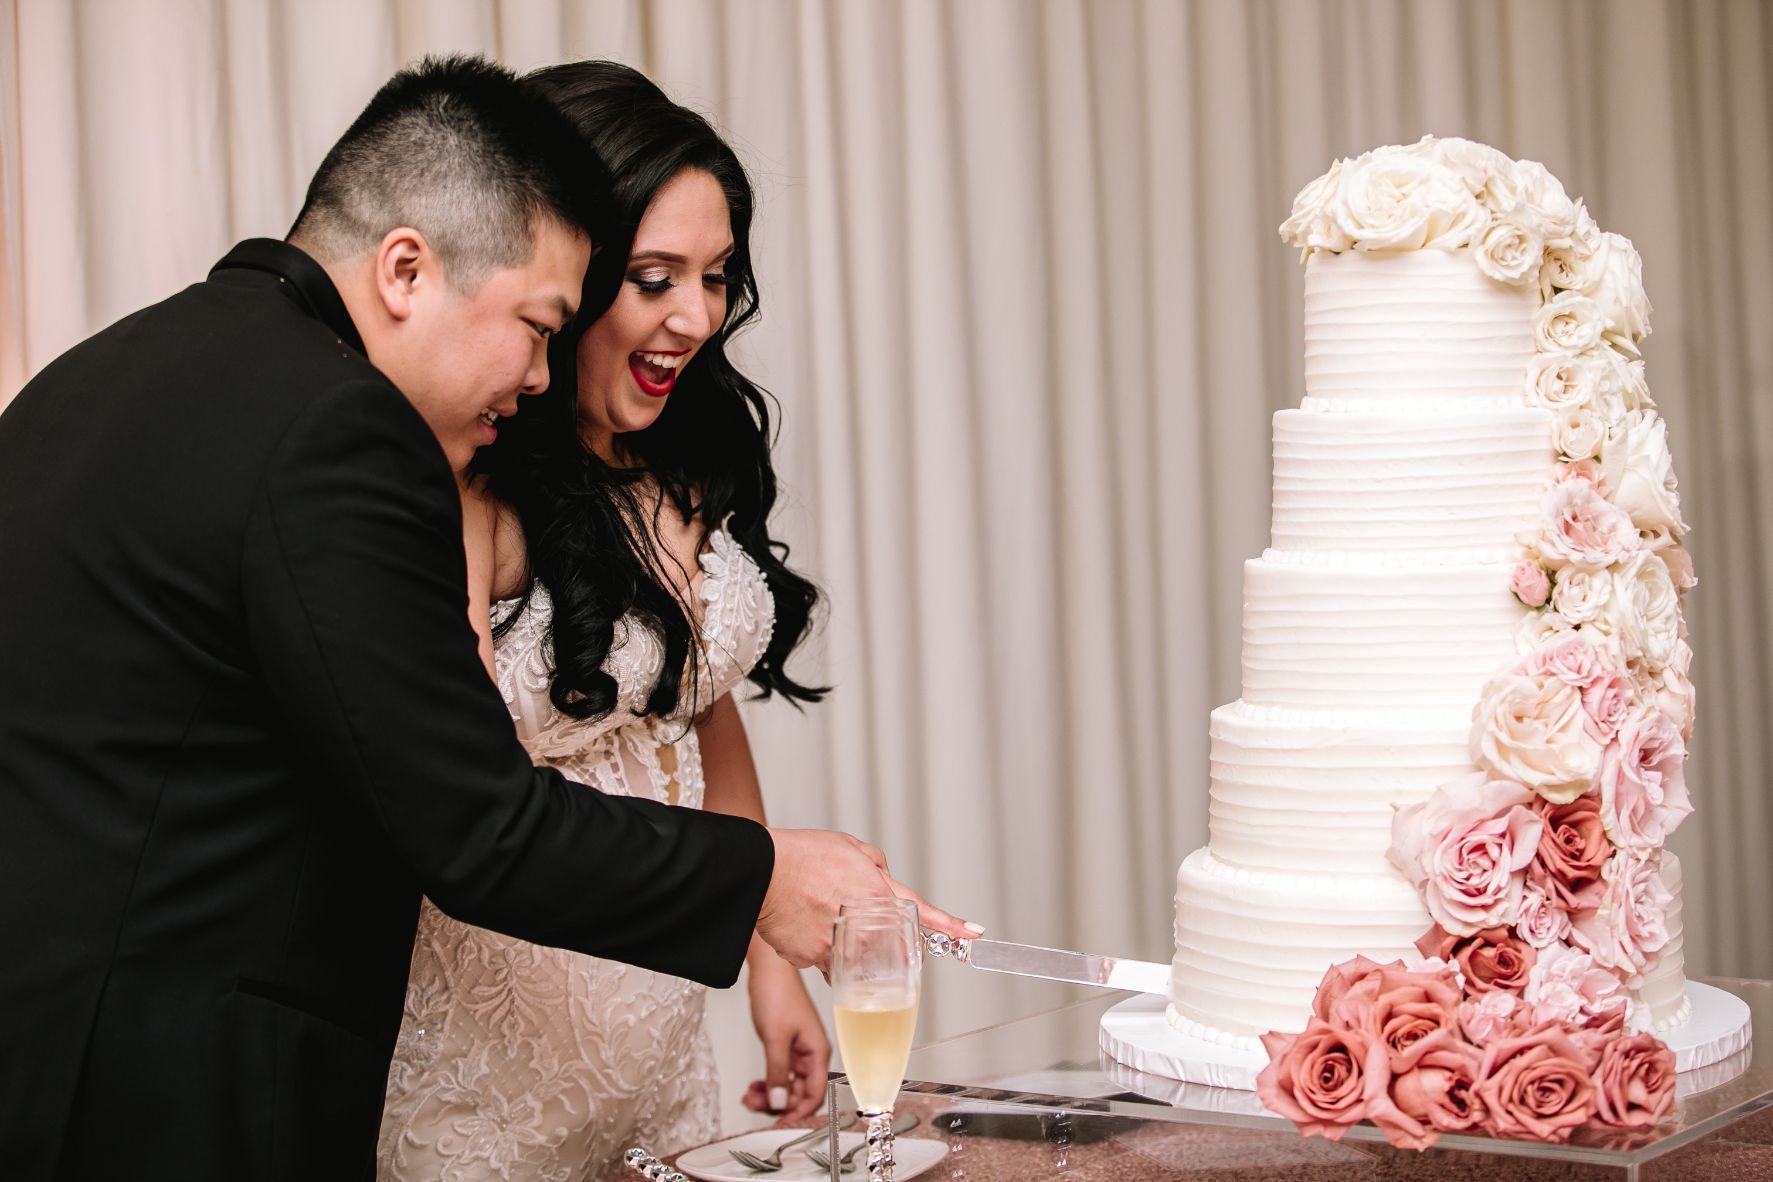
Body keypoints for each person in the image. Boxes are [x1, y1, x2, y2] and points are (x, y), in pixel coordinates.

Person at [0, 55, 970, 1182]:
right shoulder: (338, 427)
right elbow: (472, 822)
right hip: (171, 1092)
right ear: (405, 269)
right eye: (539, 324)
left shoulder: (98, 375)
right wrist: (758, 879)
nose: (539, 373)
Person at [378, 61, 847, 1178]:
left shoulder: (683, 457)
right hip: (487, 1085)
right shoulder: (465, 490)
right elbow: (455, 798)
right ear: (572, 273)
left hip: (661, 1061)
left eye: (718, 276)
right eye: (653, 277)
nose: (695, 316)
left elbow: (696, 714)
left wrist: (767, 962)